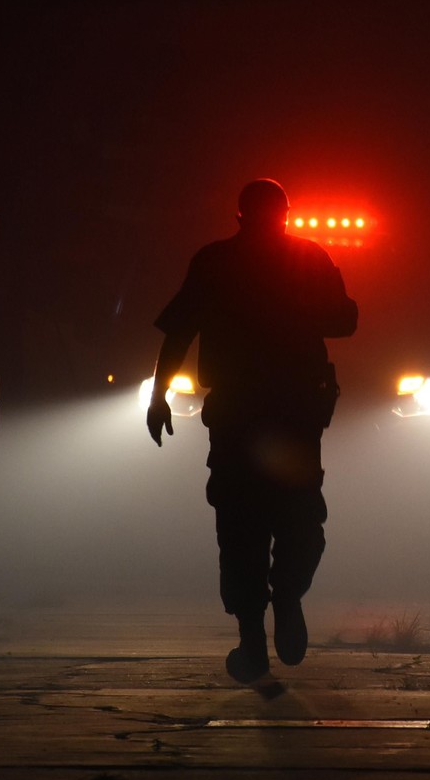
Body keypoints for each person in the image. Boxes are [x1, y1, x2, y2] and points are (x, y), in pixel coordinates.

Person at [148, 178, 358, 682]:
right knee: (298, 516)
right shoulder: (309, 258)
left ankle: (252, 636)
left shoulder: (216, 261)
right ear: (285, 215)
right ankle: (284, 600)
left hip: (241, 415)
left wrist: (159, 398)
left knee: (241, 525)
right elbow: (345, 320)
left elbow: (180, 331)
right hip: (293, 414)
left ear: (240, 216)